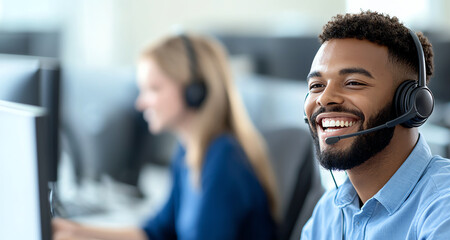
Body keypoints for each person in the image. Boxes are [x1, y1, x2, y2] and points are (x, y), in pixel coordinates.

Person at [301, 11, 450, 239]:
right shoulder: (330, 212)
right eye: (316, 85)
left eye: (353, 83)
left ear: (409, 104)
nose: (324, 98)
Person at [52, 34, 279, 240]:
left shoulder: (224, 157)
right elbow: (156, 231)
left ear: (194, 91)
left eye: (154, 89)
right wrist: (72, 231)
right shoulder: (189, 149)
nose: (141, 103)